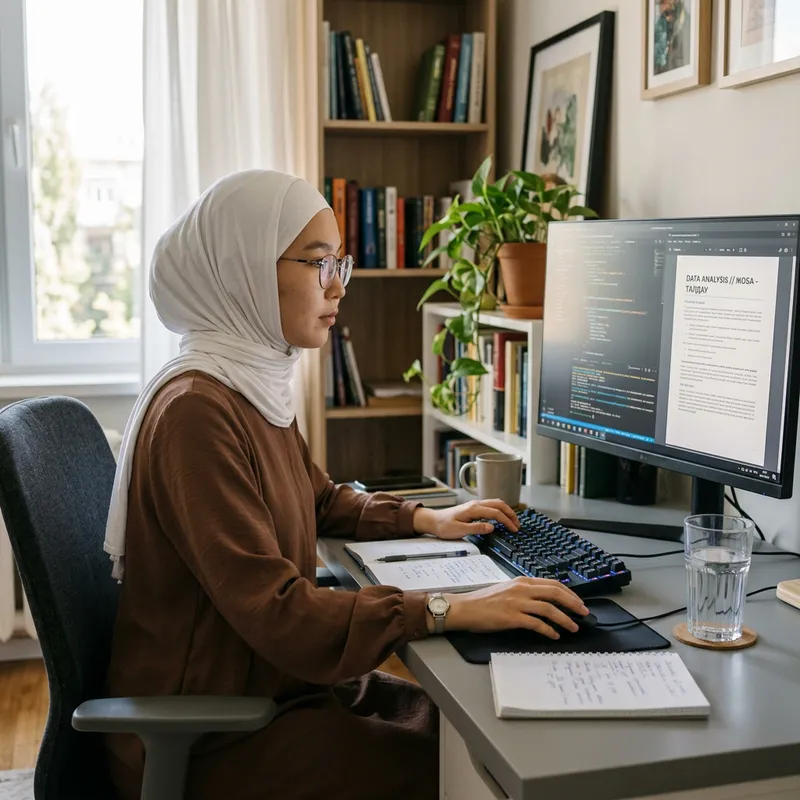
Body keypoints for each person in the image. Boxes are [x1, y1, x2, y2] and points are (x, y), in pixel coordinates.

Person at [102, 169, 589, 800]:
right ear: (245, 269)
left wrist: (426, 519)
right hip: (211, 738)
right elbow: (279, 612)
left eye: (341, 263)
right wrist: (451, 608)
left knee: (477, 735)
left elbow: (319, 498)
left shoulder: (249, 381)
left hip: (273, 691)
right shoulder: (197, 411)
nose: (337, 286)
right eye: (316, 263)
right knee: (473, 774)